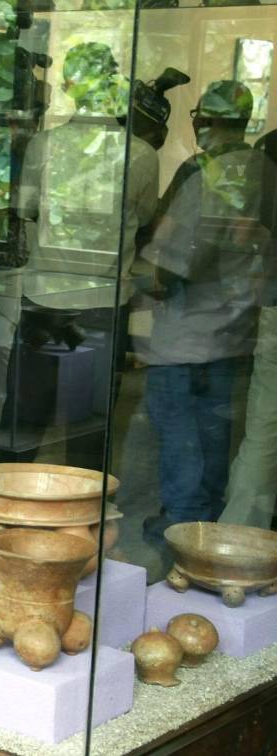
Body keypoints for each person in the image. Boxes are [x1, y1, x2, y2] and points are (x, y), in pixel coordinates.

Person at [0, 42, 159, 471]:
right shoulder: (140, 153)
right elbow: (143, 220)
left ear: (69, 86)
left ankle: (3, 506)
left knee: (24, 418)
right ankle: (79, 519)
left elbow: (25, 211)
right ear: (114, 85)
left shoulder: (44, 146)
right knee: (89, 423)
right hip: (103, 300)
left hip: (46, 295)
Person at [139, 80, 270, 541]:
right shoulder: (264, 168)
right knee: (216, 430)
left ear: (203, 119)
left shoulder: (201, 171)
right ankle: (208, 520)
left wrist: (150, 277)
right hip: (236, 328)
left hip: (186, 329)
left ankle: (181, 527)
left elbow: (173, 254)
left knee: (177, 427)